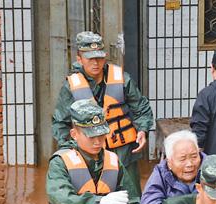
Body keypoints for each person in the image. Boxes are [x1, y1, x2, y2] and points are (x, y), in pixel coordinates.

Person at [52, 31, 153, 195]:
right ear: (79, 59)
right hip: (89, 155)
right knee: (94, 199)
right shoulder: (71, 87)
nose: (96, 63)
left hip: (123, 152)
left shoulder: (122, 79)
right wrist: (69, 151)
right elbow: (60, 123)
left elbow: (141, 107)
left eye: (99, 57)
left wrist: (143, 130)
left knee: (131, 199)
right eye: (90, 58)